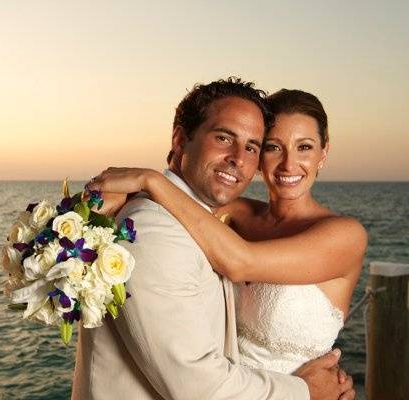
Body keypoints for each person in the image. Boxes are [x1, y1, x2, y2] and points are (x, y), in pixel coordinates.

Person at [71, 78, 355, 400]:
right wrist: (306, 391)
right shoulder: (172, 226)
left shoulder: (343, 233)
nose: (289, 163)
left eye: (304, 146)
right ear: (180, 138)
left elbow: (239, 260)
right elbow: (199, 386)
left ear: (324, 152)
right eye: (273, 147)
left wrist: (149, 180)